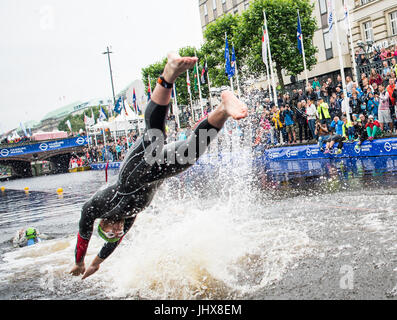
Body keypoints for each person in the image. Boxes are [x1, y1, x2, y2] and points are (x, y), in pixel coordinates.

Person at [70, 52, 248, 280]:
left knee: (155, 136)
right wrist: (96, 264)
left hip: (135, 169)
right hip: (157, 174)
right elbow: (112, 245)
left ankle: (169, 74)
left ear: (102, 224)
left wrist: (80, 262)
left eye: (109, 232)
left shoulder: (97, 208)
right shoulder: (128, 219)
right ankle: (223, 108)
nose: (115, 232)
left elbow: (84, 230)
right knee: (192, 152)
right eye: (116, 234)